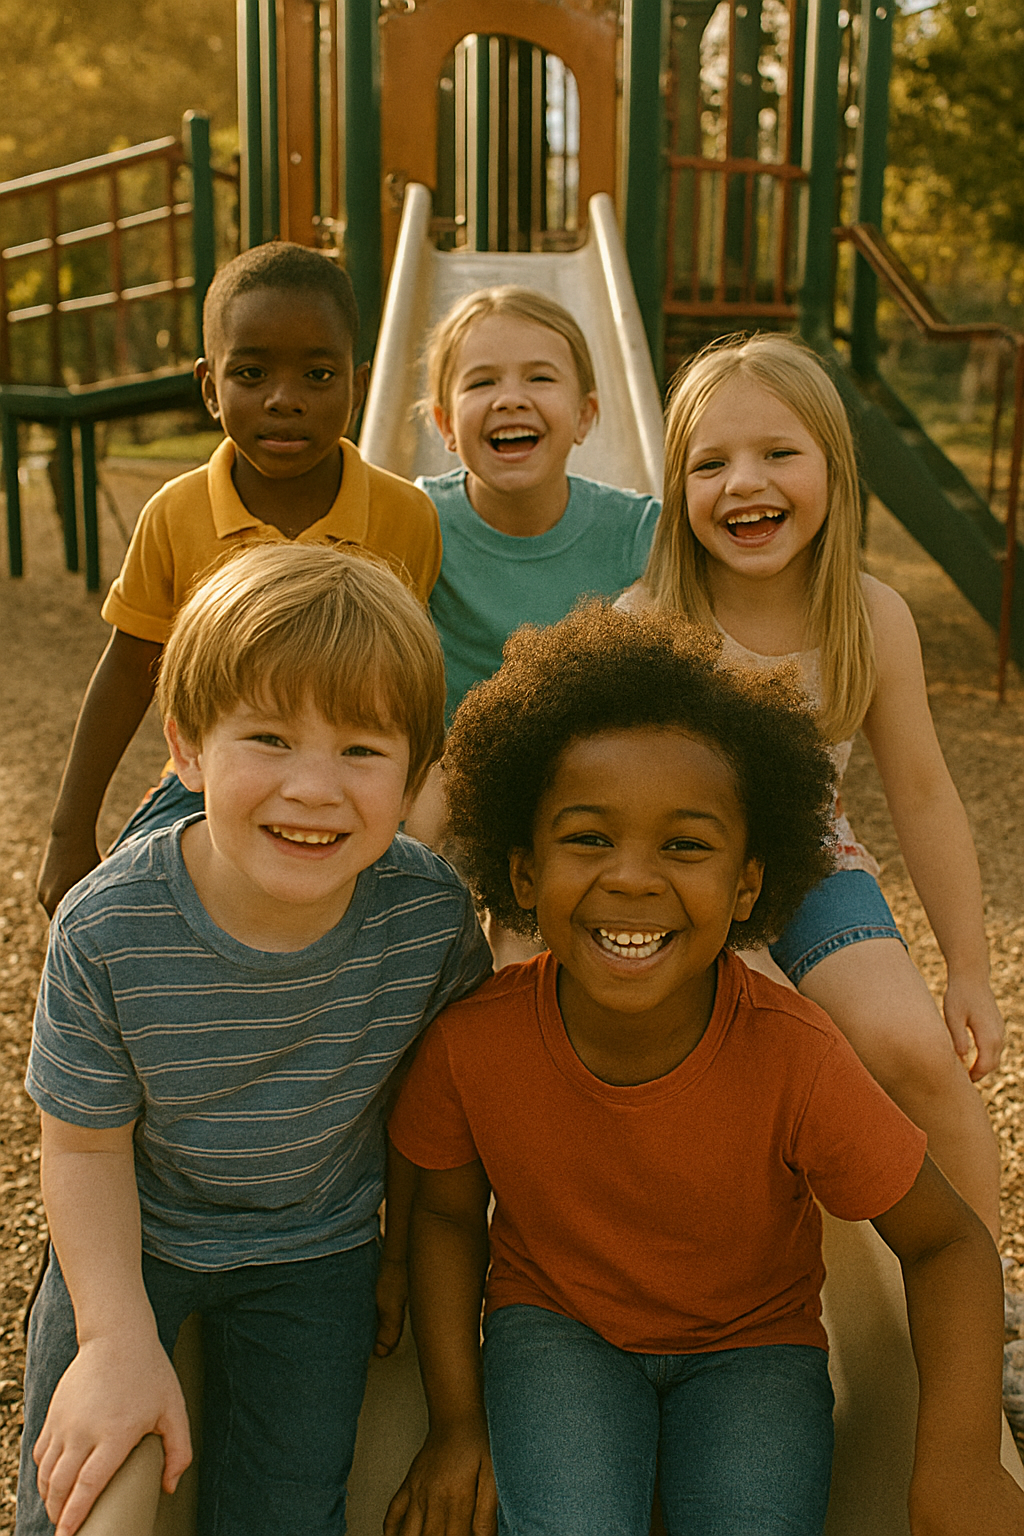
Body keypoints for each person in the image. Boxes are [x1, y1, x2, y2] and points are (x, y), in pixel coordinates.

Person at [383, 603, 1022, 1536]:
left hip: (750, 1345)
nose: (633, 878)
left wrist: (958, 1460)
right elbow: (443, 1217)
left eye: (684, 845)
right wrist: (455, 1425)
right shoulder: (473, 1045)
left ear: (749, 887)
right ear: (523, 876)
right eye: (589, 839)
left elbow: (949, 1242)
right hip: (560, 1329)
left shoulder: (794, 1055)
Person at [18, 544, 492, 1536]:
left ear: (415, 769)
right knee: (84, 1487)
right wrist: (112, 1332)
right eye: (268, 738)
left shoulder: (429, 920)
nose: (314, 788)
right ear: (187, 751)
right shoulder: (108, 931)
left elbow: (434, 1115)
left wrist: (399, 1253)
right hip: (135, 1235)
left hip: (314, 1249)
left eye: (362, 750)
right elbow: (84, 1145)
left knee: (287, 1507)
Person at [616, 332, 1004, 1241]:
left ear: (834, 470)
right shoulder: (653, 622)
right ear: (678, 491)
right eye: (710, 463)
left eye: (779, 453)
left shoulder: (870, 618)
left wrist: (971, 970)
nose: (744, 482)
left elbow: (921, 792)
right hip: (685, 880)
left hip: (809, 860)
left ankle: (976, 1298)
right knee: (777, 1042)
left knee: (911, 1048)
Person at [37, 241, 442, 918]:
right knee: (117, 914)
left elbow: (414, 684)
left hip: (349, 785)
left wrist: (413, 800)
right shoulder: (177, 513)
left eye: (318, 375)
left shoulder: (405, 517)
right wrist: (69, 832)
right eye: (251, 374)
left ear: (357, 384)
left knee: (410, 912)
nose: (285, 400)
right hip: (201, 786)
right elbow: (127, 667)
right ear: (209, 388)